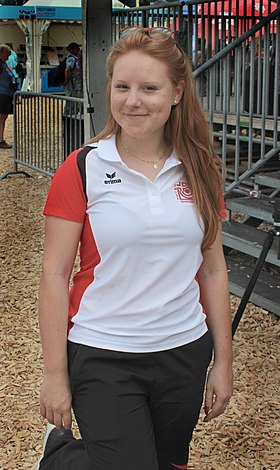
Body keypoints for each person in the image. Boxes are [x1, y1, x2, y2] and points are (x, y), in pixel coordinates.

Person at [37, 27, 233, 470]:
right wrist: (54, 374)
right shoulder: (82, 167)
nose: (133, 100)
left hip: (183, 351)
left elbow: (214, 271)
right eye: (122, 87)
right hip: (102, 351)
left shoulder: (201, 168)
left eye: (149, 88)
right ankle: (61, 455)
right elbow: (53, 274)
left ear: (177, 92)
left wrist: (223, 360)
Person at [0, 44, 17, 149]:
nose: (9, 56)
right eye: (8, 53)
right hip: (2, 94)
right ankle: (0, 140)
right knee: (1, 118)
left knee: (3, 117)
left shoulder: (3, 63)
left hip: (6, 93)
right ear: (1, 53)